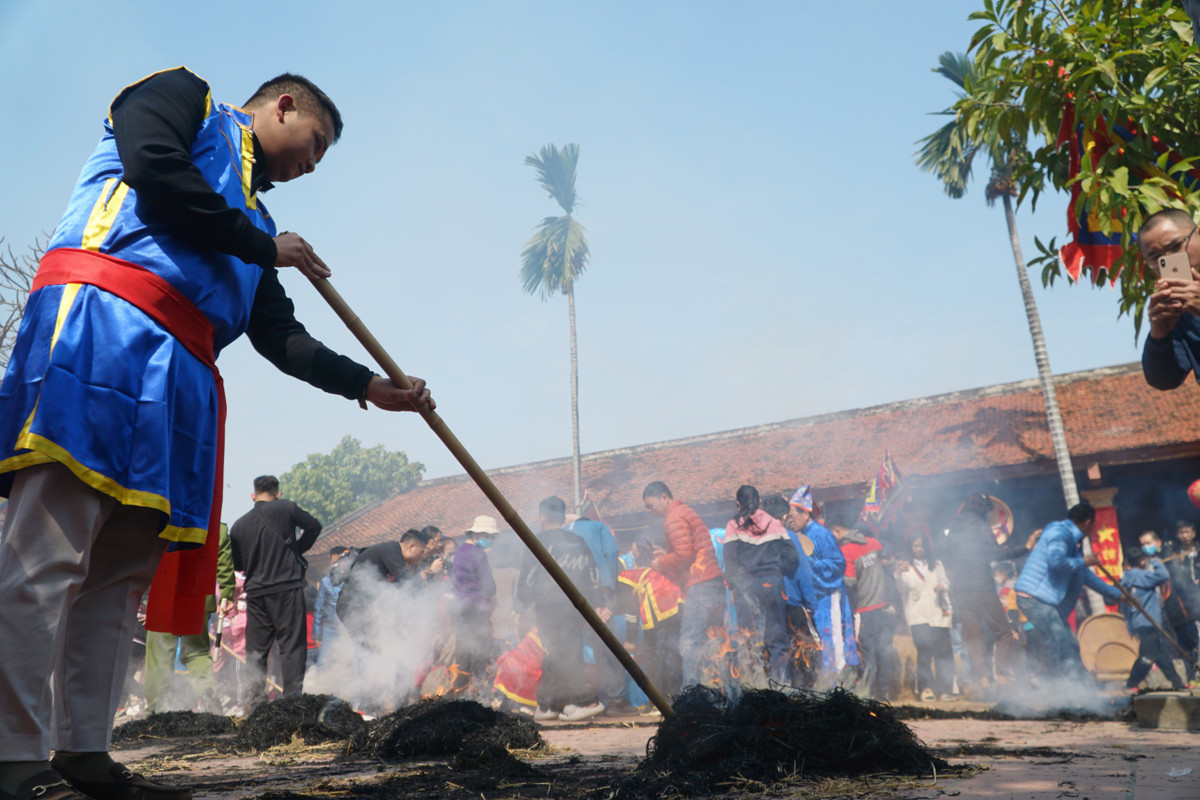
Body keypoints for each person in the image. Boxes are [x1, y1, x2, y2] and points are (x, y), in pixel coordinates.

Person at [0, 68, 434, 800]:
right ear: (284, 106)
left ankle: (84, 753)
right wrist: (263, 246)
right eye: (316, 143)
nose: (313, 165)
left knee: (119, 574)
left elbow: (282, 338)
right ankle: (13, 757)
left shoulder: (258, 226)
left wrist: (367, 385)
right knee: (48, 554)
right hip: (100, 329)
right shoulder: (187, 99)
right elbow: (153, 168)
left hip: (181, 380)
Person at [228, 476, 322, 709]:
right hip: (287, 588)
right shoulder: (286, 508)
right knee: (291, 647)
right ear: (277, 494)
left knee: (256, 651)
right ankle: (292, 702)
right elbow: (314, 526)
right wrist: (296, 549)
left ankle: (255, 705)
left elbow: (237, 564)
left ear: (253, 495)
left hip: (256, 593)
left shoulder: (239, 525)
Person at [515, 496, 608, 722]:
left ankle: (585, 701)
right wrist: (598, 602)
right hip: (574, 607)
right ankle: (547, 704)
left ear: (542, 517)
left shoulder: (537, 541)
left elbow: (528, 577)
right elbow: (592, 575)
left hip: (548, 609)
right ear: (563, 517)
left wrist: (520, 606)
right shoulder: (578, 541)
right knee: (556, 653)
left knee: (562, 654)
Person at [1012, 502, 1123, 684]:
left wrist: (1118, 595)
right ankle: (1064, 687)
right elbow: (1057, 562)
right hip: (1033, 598)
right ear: (1088, 522)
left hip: (1043, 601)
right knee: (1060, 642)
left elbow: (1085, 575)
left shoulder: (1072, 541)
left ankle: (1078, 685)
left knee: (1069, 643)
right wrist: (1085, 561)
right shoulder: (1060, 533)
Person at [940, 494, 1037, 694]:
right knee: (1003, 632)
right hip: (981, 585)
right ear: (984, 509)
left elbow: (946, 557)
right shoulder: (981, 526)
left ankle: (982, 682)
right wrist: (1026, 547)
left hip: (960, 588)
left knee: (973, 635)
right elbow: (996, 553)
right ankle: (1002, 678)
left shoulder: (955, 527)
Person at [143, 524, 236, 714]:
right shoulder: (217, 528)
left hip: (165, 593)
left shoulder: (165, 518)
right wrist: (227, 594)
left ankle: (157, 709)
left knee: (159, 652)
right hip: (198, 597)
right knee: (197, 652)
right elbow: (225, 564)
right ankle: (207, 692)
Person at [642, 481, 725, 690]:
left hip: (700, 584)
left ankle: (692, 696)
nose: (649, 511)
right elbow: (688, 551)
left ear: (664, 497)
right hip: (713, 582)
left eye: (651, 505)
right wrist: (667, 555)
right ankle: (721, 692)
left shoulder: (673, 518)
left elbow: (684, 555)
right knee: (714, 643)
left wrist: (659, 562)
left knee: (690, 642)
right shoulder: (684, 512)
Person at [722, 485, 798, 685]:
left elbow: (730, 562)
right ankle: (781, 684)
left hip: (746, 586)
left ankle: (751, 684)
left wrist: (736, 586)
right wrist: (777, 571)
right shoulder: (774, 523)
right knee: (777, 639)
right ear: (759, 501)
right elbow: (792, 557)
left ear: (738, 503)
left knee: (747, 637)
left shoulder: (733, 525)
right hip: (772, 584)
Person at [785, 486, 859, 685]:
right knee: (819, 640)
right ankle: (827, 681)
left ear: (805, 513)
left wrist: (810, 564)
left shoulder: (821, 534)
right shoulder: (796, 536)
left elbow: (837, 564)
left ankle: (839, 682)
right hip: (814, 598)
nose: (790, 520)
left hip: (829, 594)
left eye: (793, 516)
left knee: (834, 637)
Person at [1136, 209, 1200, 391]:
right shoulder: (1179, 306)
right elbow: (1164, 380)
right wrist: (1159, 335)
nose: (1170, 259)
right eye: (1157, 257)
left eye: (1176, 246)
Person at [762, 494, 818, 689]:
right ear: (785, 516)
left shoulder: (756, 539)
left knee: (775, 651)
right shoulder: (789, 536)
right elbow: (803, 573)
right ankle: (804, 693)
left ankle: (779, 690)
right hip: (792, 604)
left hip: (767, 605)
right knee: (804, 650)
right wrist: (812, 604)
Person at [837, 522, 897, 700]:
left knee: (868, 652)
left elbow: (849, 581)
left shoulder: (847, 550)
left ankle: (869, 692)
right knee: (885, 650)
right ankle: (885, 691)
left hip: (865, 610)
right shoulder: (874, 543)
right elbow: (888, 550)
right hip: (884, 606)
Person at [894, 531, 955, 701]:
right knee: (925, 652)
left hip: (939, 615)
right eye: (915, 546)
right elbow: (901, 590)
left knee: (943, 653)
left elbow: (946, 582)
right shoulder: (905, 568)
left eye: (921, 545)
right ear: (910, 547)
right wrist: (897, 574)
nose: (919, 549)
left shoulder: (936, 564)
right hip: (918, 616)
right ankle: (926, 688)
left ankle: (945, 689)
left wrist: (942, 587)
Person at [1120, 546, 1186, 692]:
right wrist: (1156, 561)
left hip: (1140, 621)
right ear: (1142, 561)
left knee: (1161, 655)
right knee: (1148, 655)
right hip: (1148, 621)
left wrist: (1130, 625)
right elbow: (1163, 576)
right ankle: (1131, 684)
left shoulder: (1127, 577)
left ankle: (1177, 682)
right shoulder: (1142, 576)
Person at [1138, 528, 1200, 684]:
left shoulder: (1168, 560)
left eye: (1148, 543)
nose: (1145, 547)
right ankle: (1190, 679)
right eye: (1143, 544)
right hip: (1162, 613)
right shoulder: (1144, 565)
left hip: (1184, 611)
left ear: (1158, 543)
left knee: (1194, 645)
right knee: (1181, 648)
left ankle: (1193, 677)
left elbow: (1183, 585)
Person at [449, 515, 499, 692]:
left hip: (460, 607)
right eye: (486, 535)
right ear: (476, 534)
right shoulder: (477, 553)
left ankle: (461, 686)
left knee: (464, 646)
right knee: (480, 645)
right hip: (477, 607)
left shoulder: (460, 551)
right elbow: (488, 583)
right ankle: (479, 685)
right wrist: (492, 599)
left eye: (491, 536)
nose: (489, 539)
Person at [312, 546, 351, 667]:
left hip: (348, 628)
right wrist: (317, 633)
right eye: (333, 563)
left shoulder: (351, 580)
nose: (335, 566)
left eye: (337, 562)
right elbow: (319, 607)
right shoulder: (325, 581)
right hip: (330, 628)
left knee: (349, 663)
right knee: (323, 663)